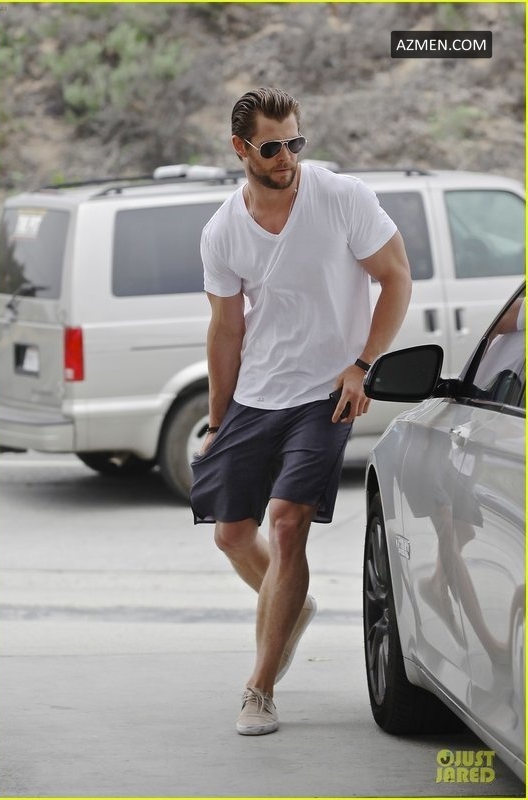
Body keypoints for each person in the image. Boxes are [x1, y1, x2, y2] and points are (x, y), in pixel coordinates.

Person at [190, 87, 412, 735]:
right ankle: (293, 603)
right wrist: (217, 420)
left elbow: (395, 276)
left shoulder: (341, 197)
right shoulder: (222, 230)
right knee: (232, 533)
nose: (286, 156)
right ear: (240, 148)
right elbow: (226, 330)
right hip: (258, 390)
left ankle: (258, 688)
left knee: (287, 524)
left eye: (294, 142)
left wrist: (363, 364)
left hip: (326, 392)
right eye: (271, 147)